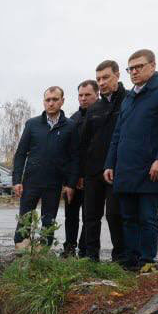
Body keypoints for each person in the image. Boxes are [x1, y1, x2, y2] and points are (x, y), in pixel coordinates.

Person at [104, 49, 158, 269]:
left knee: (147, 217)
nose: (134, 71)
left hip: (150, 168)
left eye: (139, 66)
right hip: (125, 168)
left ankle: (146, 262)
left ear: (153, 65)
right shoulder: (129, 97)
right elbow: (118, 134)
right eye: (131, 68)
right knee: (128, 218)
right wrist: (110, 163)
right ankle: (131, 261)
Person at [74, 61, 128, 262]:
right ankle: (91, 256)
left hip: (117, 170)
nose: (102, 82)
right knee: (90, 216)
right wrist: (81, 173)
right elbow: (84, 143)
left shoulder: (128, 100)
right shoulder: (95, 108)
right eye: (98, 79)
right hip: (93, 172)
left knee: (114, 215)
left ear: (117, 75)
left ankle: (119, 257)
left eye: (106, 77)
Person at [12, 86, 76, 246]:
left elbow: (74, 158)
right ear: (43, 102)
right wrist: (17, 180)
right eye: (48, 100)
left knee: (48, 221)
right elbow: (20, 154)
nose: (51, 103)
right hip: (31, 182)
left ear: (62, 101)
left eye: (55, 99)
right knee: (25, 219)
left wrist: (70, 183)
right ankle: (21, 251)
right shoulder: (32, 124)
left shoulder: (70, 126)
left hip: (54, 183)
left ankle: (43, 253)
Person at [61, 79, 99, 256]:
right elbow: (69, 151)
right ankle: (69, 248)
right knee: (71, 214)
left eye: (87, 95)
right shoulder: (73, 120)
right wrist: (71, 178)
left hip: (93, 176)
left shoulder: (101, 116)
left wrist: (84, 175)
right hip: (72, 177)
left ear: (97, 94)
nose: (83, 99)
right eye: (80, 95)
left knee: (89, 216)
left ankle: (84, 249)